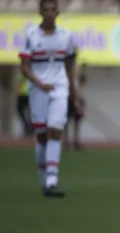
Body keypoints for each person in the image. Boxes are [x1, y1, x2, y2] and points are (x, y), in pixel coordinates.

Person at [19, 0, 81, 198]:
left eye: (53, 9)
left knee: (56, 130)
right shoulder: (31, 35)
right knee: (42, 136)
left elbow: (70, 66)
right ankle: (44, 178)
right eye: (45, 9)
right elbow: (24, 66)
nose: (49, 13)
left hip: (59, 87)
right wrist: (39, 83)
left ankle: (52, 181)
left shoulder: (65, 36)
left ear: (58, 11)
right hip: (38, 89)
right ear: (40, 11)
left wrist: (75, 94)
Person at [65, 58, 87, 151]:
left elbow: (83, 80)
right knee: (66, 121)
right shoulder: (65, 71)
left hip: (77, 97)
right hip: (68, 98)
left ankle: (75, 139)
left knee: (77, 121)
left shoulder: (77, 70)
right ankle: (66, 140)